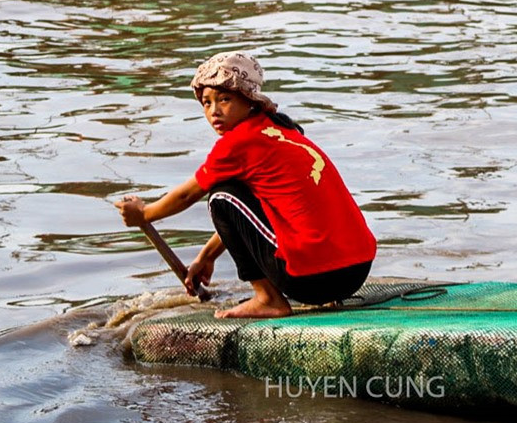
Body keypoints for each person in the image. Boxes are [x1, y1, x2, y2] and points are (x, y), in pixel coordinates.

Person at [114, 51, 376, 318]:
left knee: (219, 198)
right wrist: (207, 257)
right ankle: (289, 290)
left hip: (314, 279)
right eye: (206, 103)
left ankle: (268, 298)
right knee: (232, 196)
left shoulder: (237, 143)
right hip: (356, 271)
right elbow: (249, 215)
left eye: (225, 100)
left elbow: (187, 195)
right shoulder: (281, 131)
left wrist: (144, 213)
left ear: (249, 101)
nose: (214, 111)